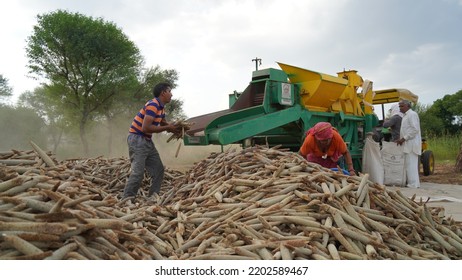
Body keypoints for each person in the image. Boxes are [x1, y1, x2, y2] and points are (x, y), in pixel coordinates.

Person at [122, 82, 179, 200]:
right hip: (138, 139)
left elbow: (163, 123)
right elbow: (146, 128)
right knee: (138, 173)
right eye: (169, 91)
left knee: (158, 169)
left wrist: (177, 129)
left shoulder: (161, 108)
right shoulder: (153, 105)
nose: (171, 94)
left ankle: (153, 197)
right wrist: (168, 128)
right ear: (163, 93)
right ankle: (126, 199)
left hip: (146, 140)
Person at [396, 100, 421, 188]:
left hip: (411, 143)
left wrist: (403, 139)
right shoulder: (406, 116)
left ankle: (413, 184)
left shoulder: (412, 114)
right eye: (399, 106)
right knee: (409, 164)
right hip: (408, 144)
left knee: (411, 164)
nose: (400, 108)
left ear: (407, 106)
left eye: (402, 106)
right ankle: (412, 183)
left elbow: (415, 129)